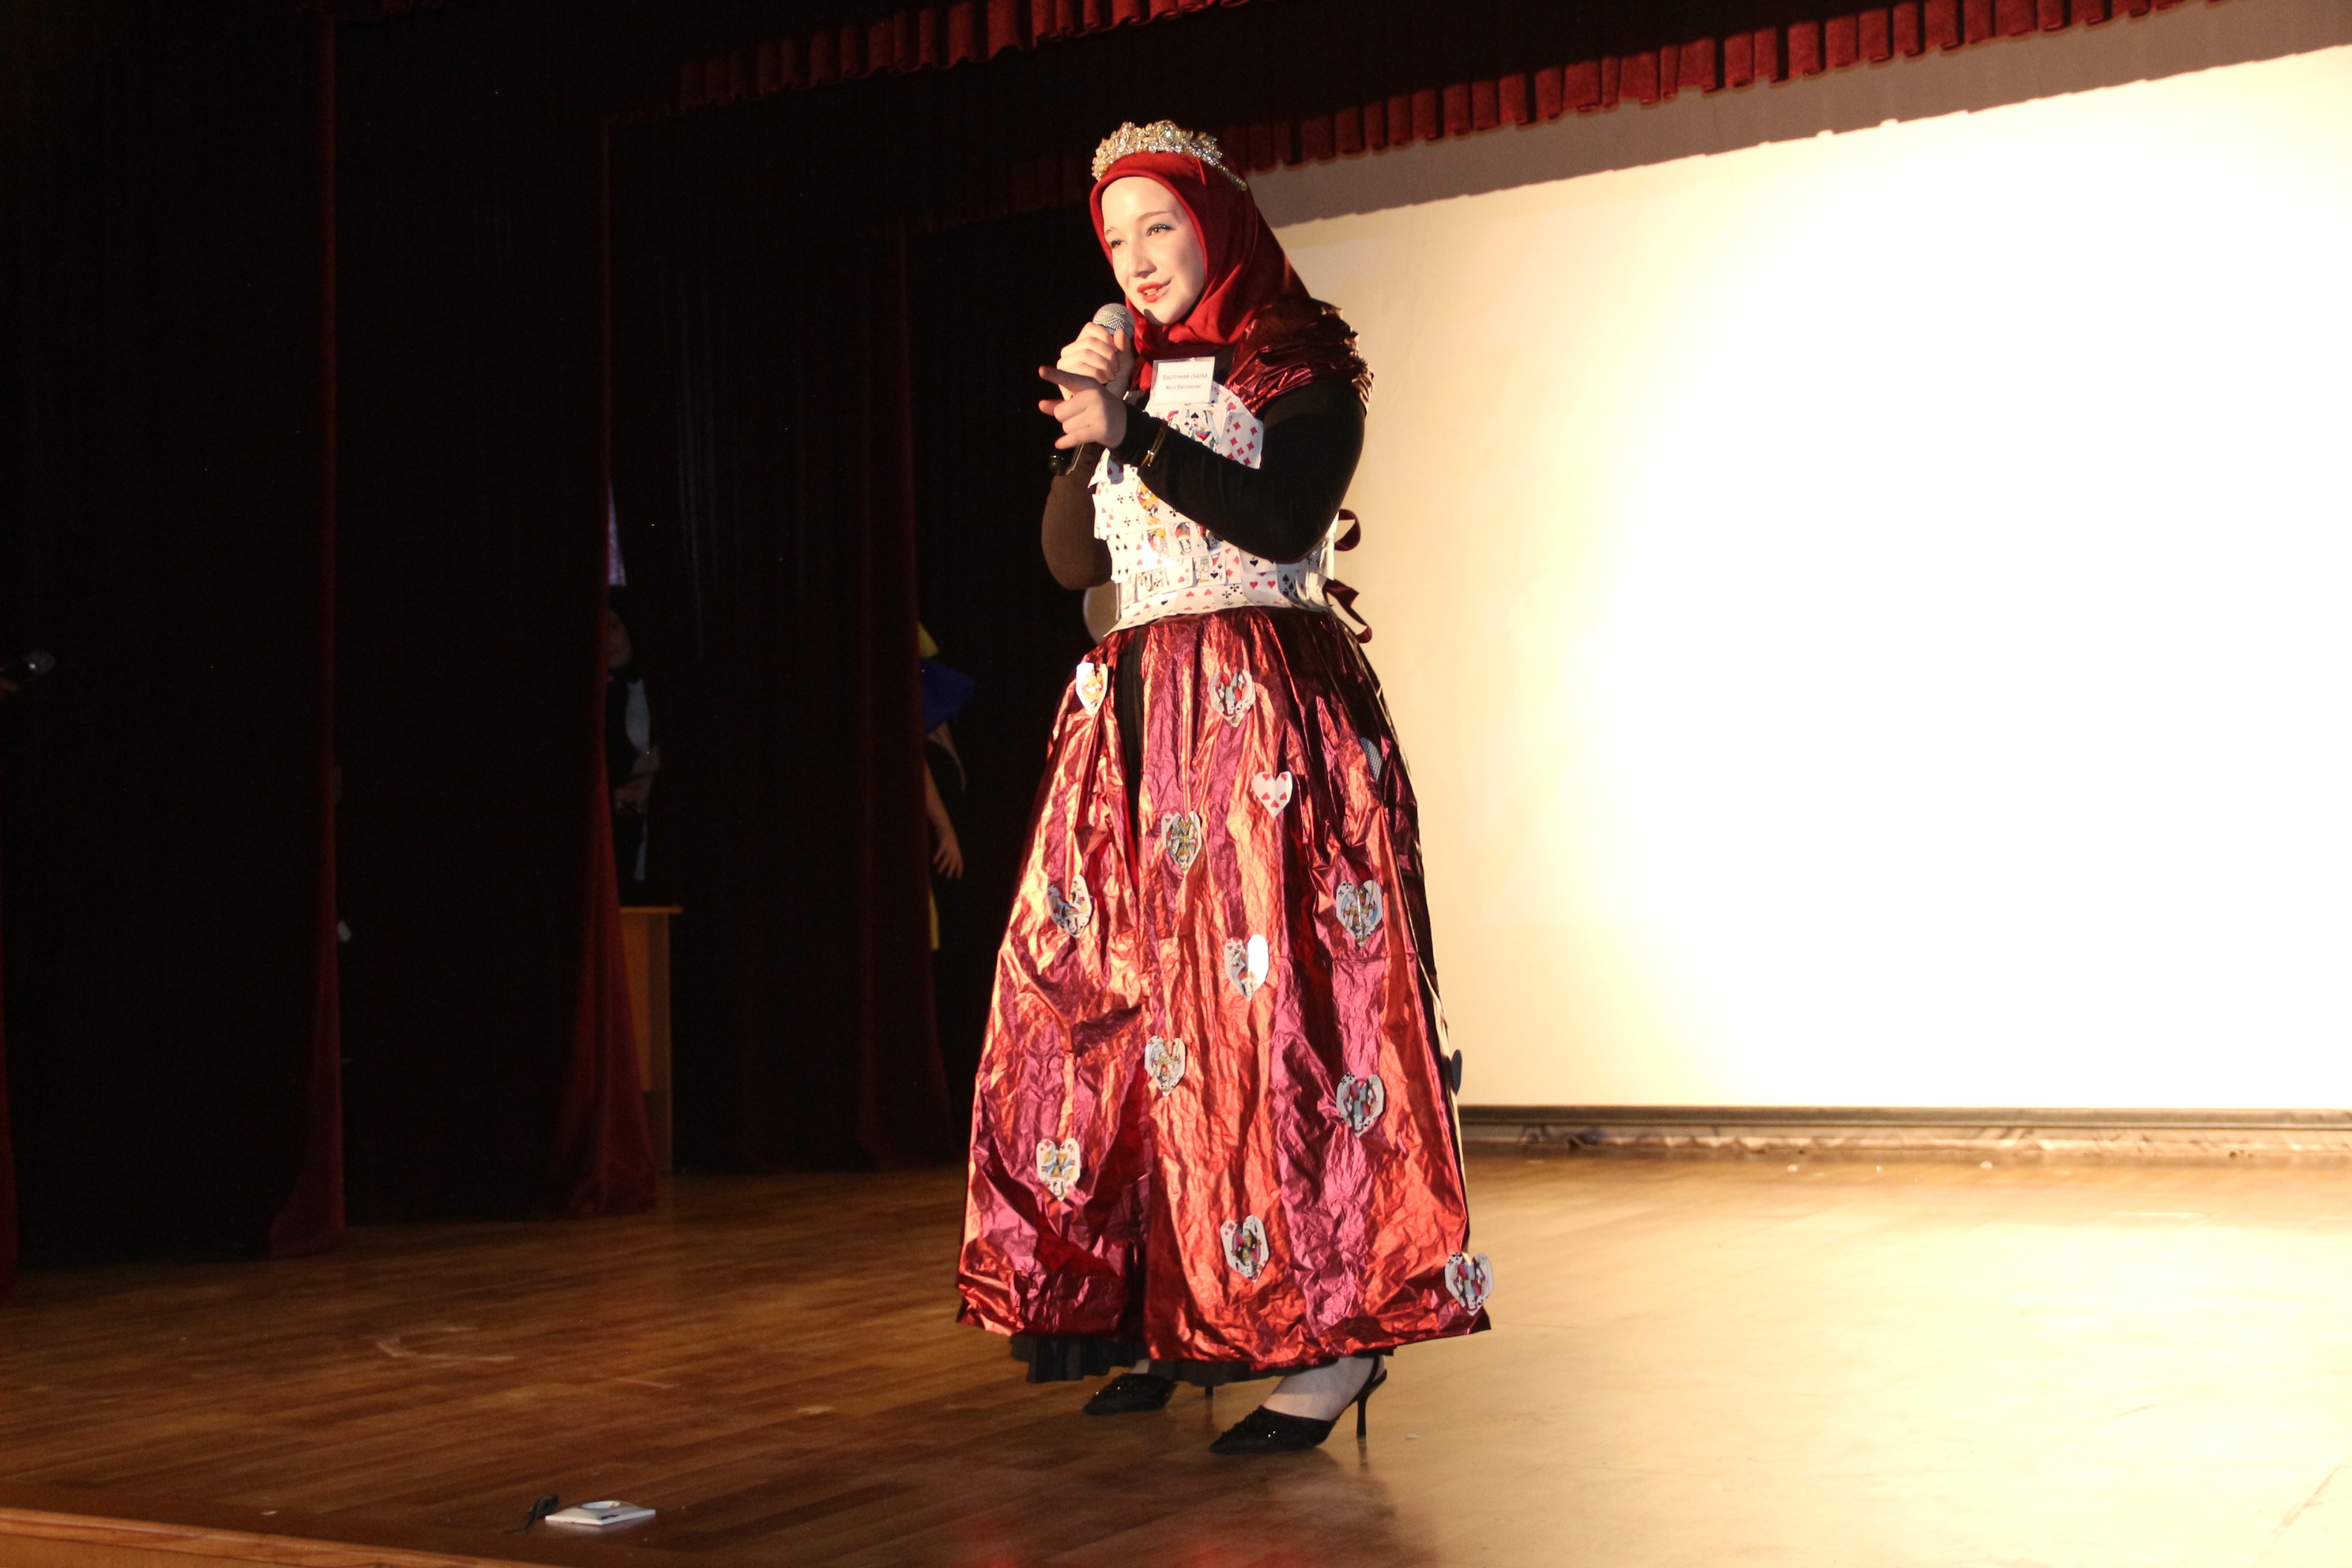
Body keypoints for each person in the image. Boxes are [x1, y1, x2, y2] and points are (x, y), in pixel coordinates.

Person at [956, 122, 1488, 1457]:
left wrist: (1132, 427)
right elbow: (1069, 557)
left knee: (1280, 1024)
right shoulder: (1124, 374)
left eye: (1160, 228)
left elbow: (1283, 520)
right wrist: (1093, 426)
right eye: (1115, 238)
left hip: (1259, 718)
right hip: (1134, 716)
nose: (1137, 259)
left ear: (1217, 226)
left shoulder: (1296, 362)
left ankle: (1337, 1339)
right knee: (1122, 1018)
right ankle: (1167, 1310)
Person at [604, 597, 658, 901]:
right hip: (622, 841)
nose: (606, 639)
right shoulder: (605, 696)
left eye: (614, 626)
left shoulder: (652, 689)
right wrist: (640, 783)